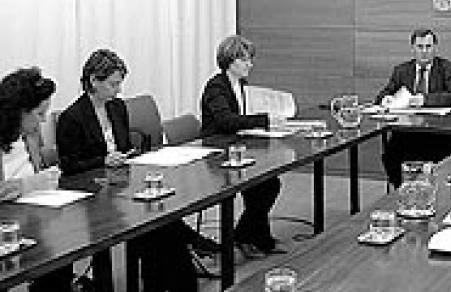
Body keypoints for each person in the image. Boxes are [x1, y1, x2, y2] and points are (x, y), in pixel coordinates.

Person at [56, 49, 198, 292]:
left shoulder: (117, 107)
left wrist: (128, 155)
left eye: (120, 83)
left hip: (121, 185)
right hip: (91, 196)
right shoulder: (72, 117)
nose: (118, 90)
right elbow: (68, 166)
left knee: (164, 220)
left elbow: (123, 146)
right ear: (94, 81)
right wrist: (103, 161)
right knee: (163, 227)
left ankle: (166, 282)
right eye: (113, 84)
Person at [200, 35, 285, 258]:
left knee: (268, 183)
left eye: (250, 60)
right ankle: (248, 238)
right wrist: (263, 120)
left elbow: (241, 119)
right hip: (217, 151)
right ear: (230, 61)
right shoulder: (216, 87)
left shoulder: (241, 85)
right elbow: (226, 121)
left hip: (237, 146)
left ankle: (248, 237)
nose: (250, 65)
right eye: (245, 60)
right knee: (264, 185)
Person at [0, 68, 74, 292]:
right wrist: (30, 184)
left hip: (31, 211)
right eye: (39, 114)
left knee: (60, 254)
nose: (43, 121)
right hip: (6, 222)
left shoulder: (29, 134)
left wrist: (46, 178)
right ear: (19, 112)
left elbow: (36, 169)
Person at [375, 28, 451, 187]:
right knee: (391, 155)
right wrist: (385, 99)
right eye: (420, 46)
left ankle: (435, 190)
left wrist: (425, 99)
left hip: (439, 133)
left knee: (441, 157)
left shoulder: (448, 68)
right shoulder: (401, 71)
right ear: (413, 48)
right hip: (407, 132)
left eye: (428, 46)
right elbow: (384, 94)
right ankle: (402, 190)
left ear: (435, 47)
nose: (424, 51)